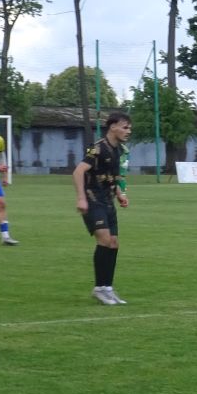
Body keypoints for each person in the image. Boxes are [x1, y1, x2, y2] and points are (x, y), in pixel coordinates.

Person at [73, 113, 132, 305]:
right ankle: (99, 288)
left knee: (113, 243)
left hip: (107, 201)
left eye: (129, 128)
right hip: (93, 200)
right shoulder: (97, 148)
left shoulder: (118, 150)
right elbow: (78, 171)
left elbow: (112, 178)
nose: (128, 131)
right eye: (125, 127)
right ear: (113, 127)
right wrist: (81, 198)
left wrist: (120, 194)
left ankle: (107, 288)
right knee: (105, 240)